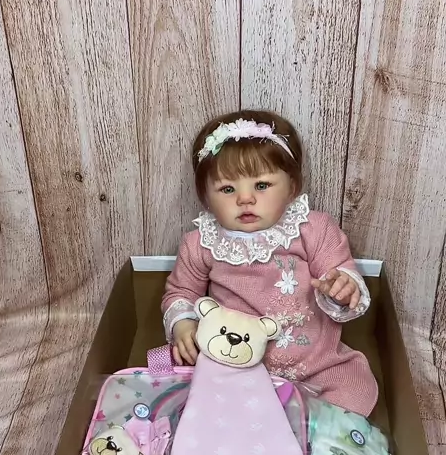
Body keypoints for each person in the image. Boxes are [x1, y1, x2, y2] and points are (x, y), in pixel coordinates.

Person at [162, 111, 378, 416]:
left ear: (291, 187)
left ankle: (312, 431)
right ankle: (249, 429)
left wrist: (342, 288)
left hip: (314, 363)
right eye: (227, 189)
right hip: (233, 364)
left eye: (261, 185)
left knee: (356, 387)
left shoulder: (312, 229)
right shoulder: (201, 242)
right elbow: (181, 292)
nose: (245, 199)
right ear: (206, 197)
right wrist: (183, 323)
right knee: (184, 387)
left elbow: (339, 270)